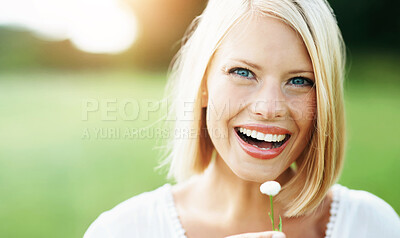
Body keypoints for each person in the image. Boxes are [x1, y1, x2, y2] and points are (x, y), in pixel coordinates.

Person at [84, 0, 400, 237]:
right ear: (203, 84)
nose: (269, 107)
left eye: (300, 80)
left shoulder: (372, 226)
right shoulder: (123, 230)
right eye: (243, 72)